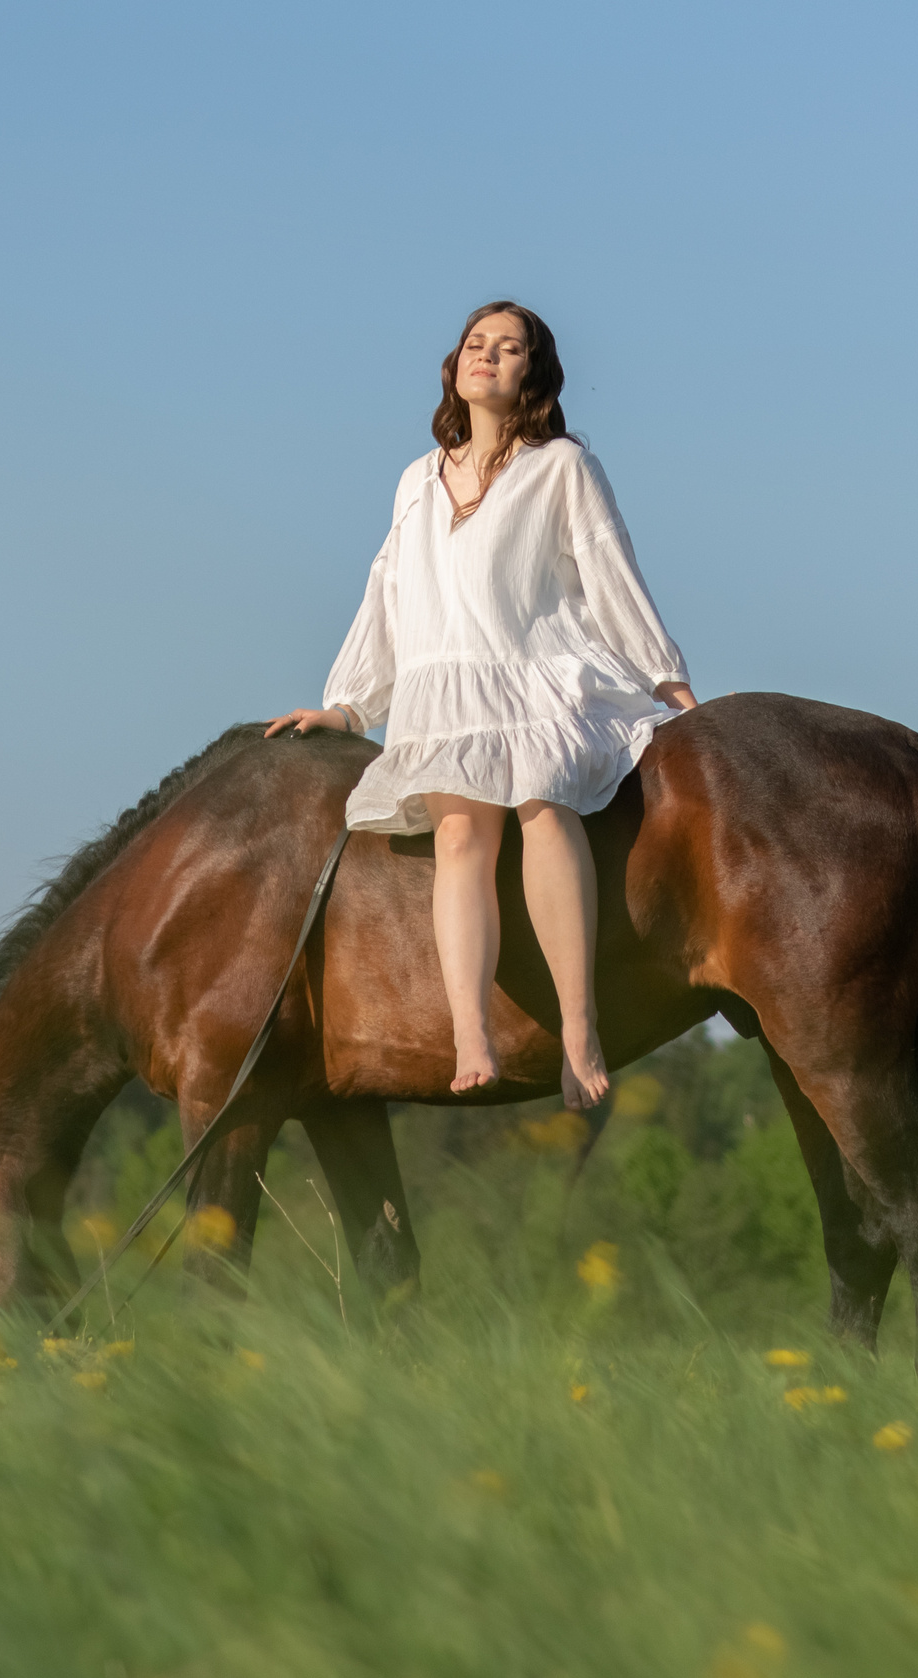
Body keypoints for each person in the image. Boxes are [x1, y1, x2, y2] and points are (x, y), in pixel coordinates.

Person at [266, 301, 696, 1111]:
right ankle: (472, 1033)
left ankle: (579, 1027)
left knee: (543, 805)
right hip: (445, 690)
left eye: (508, 348)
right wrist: (348, 705)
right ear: (454, 365)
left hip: (537, 676)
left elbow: (612, 573)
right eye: (475, 344)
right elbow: (389, 593)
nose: (488, 357)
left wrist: (668, 680)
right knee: (461, 830)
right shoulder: (416, 481)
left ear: (532, 372)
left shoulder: (562, 465)